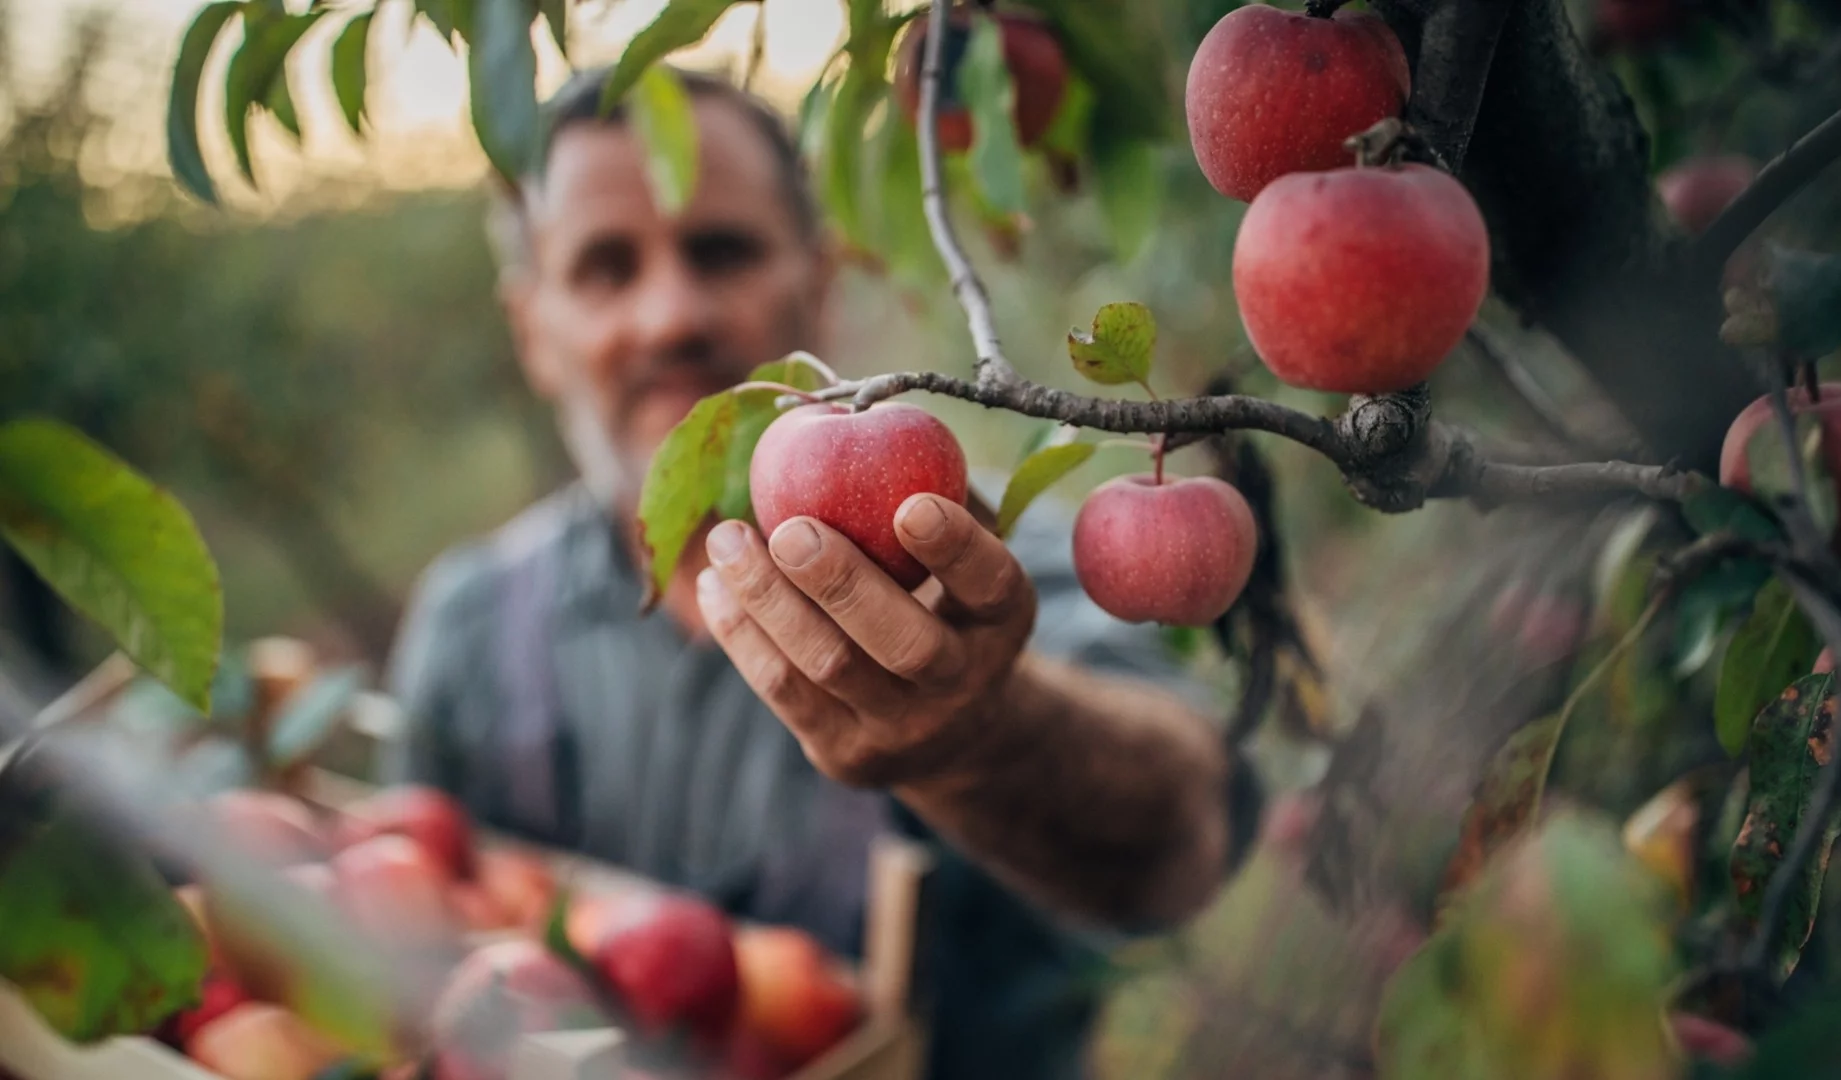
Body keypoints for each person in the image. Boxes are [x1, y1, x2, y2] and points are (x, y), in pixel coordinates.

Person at [384, 65, 1263, 1080]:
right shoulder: (470, 627)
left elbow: (1190, 839)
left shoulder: (983, 557)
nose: (671, 315)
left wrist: (989, 733)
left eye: (722, 250)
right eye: (605, 268)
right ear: (533, 330)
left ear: (823, 282)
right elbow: (410, 942)